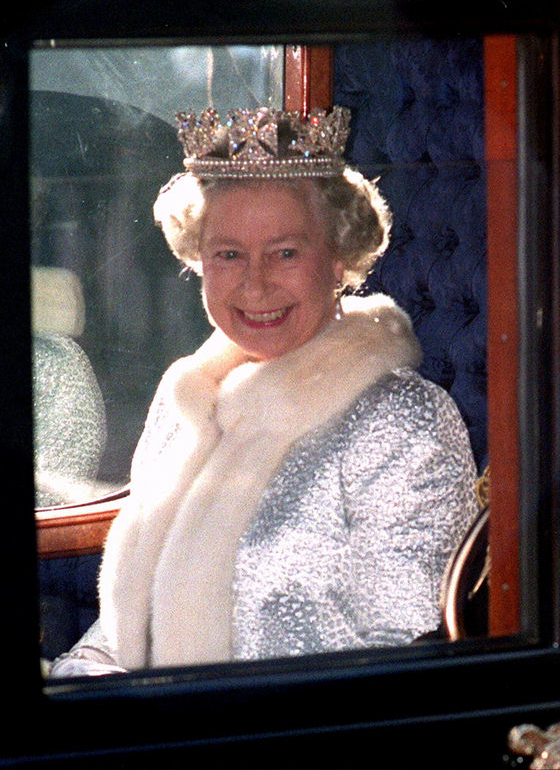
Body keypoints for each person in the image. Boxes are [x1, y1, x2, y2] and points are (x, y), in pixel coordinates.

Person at [49, 106, 478, 676]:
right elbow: (128, 629)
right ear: (199, 262)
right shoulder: (187, 401)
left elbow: (401, 667)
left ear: (341, 258)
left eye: (285, 252)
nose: (255, 283)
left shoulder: (403, 422)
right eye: (229, 254)